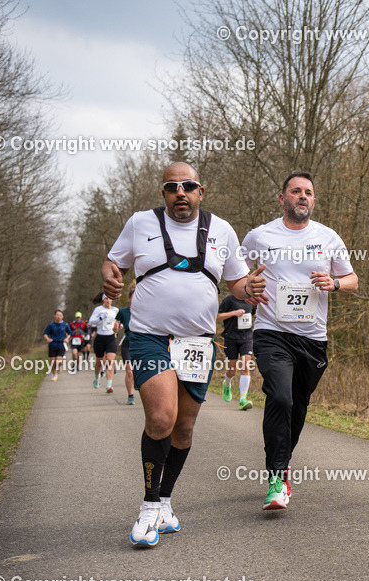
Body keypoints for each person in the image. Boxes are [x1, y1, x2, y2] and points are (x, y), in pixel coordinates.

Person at [102, 161, 264, 547]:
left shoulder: (221, 230)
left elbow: (237, 282)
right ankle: (146, 509)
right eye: (172, 186)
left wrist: (250, 287)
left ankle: (165, 501)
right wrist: (108, 272)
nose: (180, 193)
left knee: (184, 428)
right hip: (149, 337)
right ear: (163, 193)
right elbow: (114, 262)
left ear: (200, 192)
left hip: (197, 343)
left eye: (188, 186)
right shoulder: (140, 223)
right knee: (161, 418)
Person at [241, 172, 357, 511]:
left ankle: (280, 460)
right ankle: (277, 477)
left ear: (313, 200)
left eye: (307, 192)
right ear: (282, 198)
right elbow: (237, 273)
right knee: (280, 396)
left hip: (312, 338)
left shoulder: (328, 237)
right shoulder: (260, 235)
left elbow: (352, 279)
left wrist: (334, 284)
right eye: (295, 191)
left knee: (298, 406)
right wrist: (249, 284)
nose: (302, 196)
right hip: (271, 333)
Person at [216, 293, 256, 410]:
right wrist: (233, 313)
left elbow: (254, 315)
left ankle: (243, 399)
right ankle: (227, 384)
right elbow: (218, 316)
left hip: (247, 338)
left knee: (245, 366)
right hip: (231, 338)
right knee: (232, 370)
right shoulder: (229, 299)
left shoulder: (252, 300)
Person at [88, 294, 119, 392]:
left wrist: (118, 326)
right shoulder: (98, 309)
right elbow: (90, 322)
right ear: (103, 300)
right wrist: (100, 318)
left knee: (110, 361)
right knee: (99, 362)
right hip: (100, 338)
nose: (108, 300)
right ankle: (97, 378)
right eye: (106, 298)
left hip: (111, 338)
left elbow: (119, 323)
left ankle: (109, 385)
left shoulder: (116, 310)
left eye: (110, 298)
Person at [115, 281, 136, 405]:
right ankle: (131, 395)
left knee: (139, 370)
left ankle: (138, 383)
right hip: (128, 343)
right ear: (129, 299)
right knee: (129, 369)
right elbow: (116, 326)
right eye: (133, 297)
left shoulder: (145, 311)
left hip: (142, 343)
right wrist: (115, 328)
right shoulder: (123, 312)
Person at [42, 310, 70, 381]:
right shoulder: (51, 325)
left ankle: (60, 367)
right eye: (57, 315)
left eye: (60, 315)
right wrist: (47, 339)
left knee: (59, 361)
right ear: (55, 316)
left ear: (62, 316)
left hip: (61, 344)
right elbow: (45, 333)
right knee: (52, 361)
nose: (59, 317)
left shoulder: (65, 325)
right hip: (52, 344)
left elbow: (70, 333)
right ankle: (55, 375)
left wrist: (67, 338)